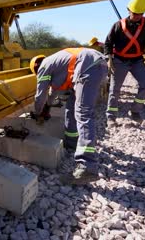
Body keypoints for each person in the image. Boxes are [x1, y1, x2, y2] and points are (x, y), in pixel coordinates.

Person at [30, 47, 108, 185]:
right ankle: (72, 143)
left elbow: (40, 95)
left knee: (83, 114)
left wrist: (37, 112)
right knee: (71, 107)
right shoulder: (57, 63)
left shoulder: (43, 67)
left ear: (35, 68)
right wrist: (47, 107)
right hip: (98, 65)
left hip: (88, 66)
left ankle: (87, 166)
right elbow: (51, 94)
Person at [104, 0, 145, 126]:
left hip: (137, 61)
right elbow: (108, 43)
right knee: (114, 89)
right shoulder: (118, 25)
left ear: (144, 13)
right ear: (129, 10)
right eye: (134, 13)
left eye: (140, 14)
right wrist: (108, 58)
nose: (137, 16)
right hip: (119, 61)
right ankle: (111, 116)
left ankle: (135, 111)